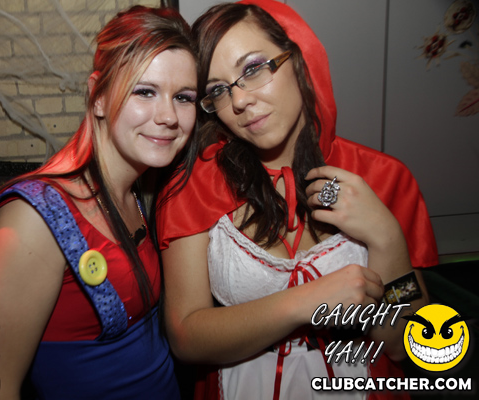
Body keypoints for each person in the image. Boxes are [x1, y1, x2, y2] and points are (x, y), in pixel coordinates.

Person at [157, 1, 437, 399]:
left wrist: (387, 238)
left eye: (253, 69)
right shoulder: (194, 188)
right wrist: (305, 301)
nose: (239, 102)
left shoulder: (383, 177)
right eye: (218, 90)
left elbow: (404, 343)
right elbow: (186, 337)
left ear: (298, 57)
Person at [0, 6, 197, 400]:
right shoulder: (31, 220)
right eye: (145, 91)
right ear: (98, 97)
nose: (169, 116)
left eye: (183, 97)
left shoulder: (141, 192)